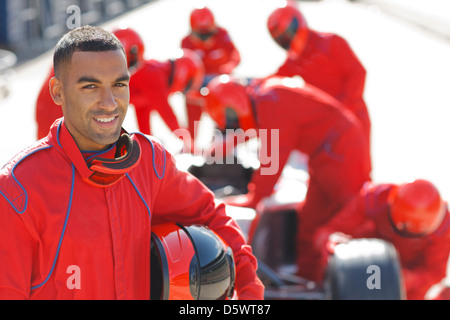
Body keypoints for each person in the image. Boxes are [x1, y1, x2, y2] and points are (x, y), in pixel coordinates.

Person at [0, 26, 264, 300]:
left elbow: (210, 215)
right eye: (90, 86)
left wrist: (249, 290)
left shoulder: (150, 162)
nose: (109, 102)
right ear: (58, 91)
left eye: (119, 84)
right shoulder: (18, 188)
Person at [203, 74, 372, 282]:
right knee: (309, 225)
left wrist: (255, 197)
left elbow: (273, 157)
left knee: (351, 222)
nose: (233, 123)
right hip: (323, 159)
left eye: (230, 117)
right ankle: (308, 282)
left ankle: (364, 283)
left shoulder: (271, 99)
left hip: (343, 152)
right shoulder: (266, 95)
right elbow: (270, 136)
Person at [35, 27, 204, 139]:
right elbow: (168, 115)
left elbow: (143, 117)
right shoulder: (154, 75)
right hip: (58, 108)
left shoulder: (150, 71)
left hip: (57, 105)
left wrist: (148, 148)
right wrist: (188, 142)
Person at [313, 179, 450, 299]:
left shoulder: (444, 228)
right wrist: (330, 243)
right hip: (361, 270)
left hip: (406, 286)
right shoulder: (373, 198)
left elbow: (435, 273)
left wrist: (410, 279)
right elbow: (323, 233)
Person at [267, 1, 371, 144]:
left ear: (298, 23)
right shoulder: (295, 60)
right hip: (329, 124)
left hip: (353, 118)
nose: (289, 40)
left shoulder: (331, 43)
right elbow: (275, 79)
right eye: (282, 39)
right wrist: (251, 85)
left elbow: (358, 73)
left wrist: (343, 108)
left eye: (289, 33)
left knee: (355, 163)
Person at [181, 6, 241, 149]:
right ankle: (191, 141)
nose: (206, 39)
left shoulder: (222, 35)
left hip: (220, 82)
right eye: (201, 35)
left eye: (209, 34)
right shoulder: (186, 43)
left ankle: (225, 139)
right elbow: (183, 71)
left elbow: (236, 55)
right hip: (199, 83)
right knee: (190, 97)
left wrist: (228, 68)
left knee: (228, 99)